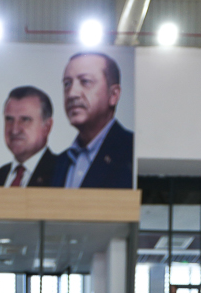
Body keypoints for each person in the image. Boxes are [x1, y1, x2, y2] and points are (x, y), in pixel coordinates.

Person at [31, 52, 134, 190]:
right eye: (67, 84)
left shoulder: (132, 151)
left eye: (85, 81)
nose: (72, 93)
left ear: (113, 95)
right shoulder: (58, 163)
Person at [0, 86, 55, 188]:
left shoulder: (63, 173)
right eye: (9, 119)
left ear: (47, 127)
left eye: (25, 120)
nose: (15, 130)